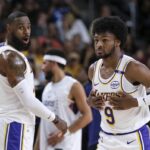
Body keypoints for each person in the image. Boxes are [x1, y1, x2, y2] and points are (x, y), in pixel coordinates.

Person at [0, 11, 67, 150]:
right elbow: (28, 101)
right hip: (14, 126)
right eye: (20, 28)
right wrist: (55, 119)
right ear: (9, 29)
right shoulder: (11, 57)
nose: (26, 32)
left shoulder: (4, 51)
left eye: (28, 27)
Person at [87, 16, 150, 150]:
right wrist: (90, 102)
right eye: (96, 40)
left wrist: (135, 102)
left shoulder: (133, 68)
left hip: (133, 139)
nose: (98, 44)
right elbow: (93, 98)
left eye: (104, 40)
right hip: (105, 139)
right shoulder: (93, 69)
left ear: (117, 42)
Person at [34, 49, 92, 150]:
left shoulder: (73, 85)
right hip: (47, 146)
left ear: (53, 63)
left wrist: (63, 134)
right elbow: (44, 121)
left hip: (66, 146)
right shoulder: (47, 88)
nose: (42, 68)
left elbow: (87, 116)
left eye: (44, 63)